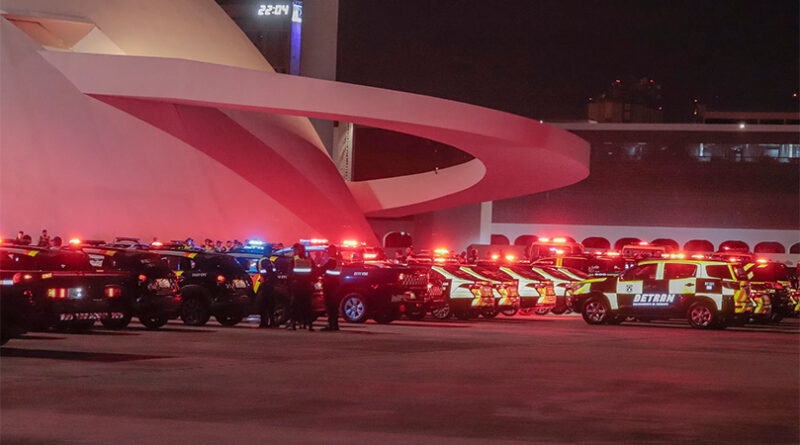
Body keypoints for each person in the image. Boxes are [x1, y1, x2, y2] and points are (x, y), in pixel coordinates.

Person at [287, 243, 315, 331]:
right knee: (307, 305)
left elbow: (290, 273)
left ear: (298, 250)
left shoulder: (294, 260)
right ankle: (309, 325)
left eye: (294, 250)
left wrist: (289, 283)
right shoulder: (309, 260)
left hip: (297, 285)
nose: (293, 252)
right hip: (307, 285)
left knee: (294, 305)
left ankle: (293, 324)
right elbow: (314, 271)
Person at [320, 245, 341, 331]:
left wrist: (316, 271)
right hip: (335, 284)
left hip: (330, 285)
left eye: (329, 251)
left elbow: (323, 269)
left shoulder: (332, 260)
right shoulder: (337, 259)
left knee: (330, 306)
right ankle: (334, 325)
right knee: (333, 306)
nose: (327, 252)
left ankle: (331, 324)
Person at [256, 257, 278, 328]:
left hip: (266, 284)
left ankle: (266, 322)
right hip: (266, 284)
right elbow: (269, 273)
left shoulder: (268, 261)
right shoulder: (266, 261)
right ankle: (268, 322)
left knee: (267, 305)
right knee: (267, 304)